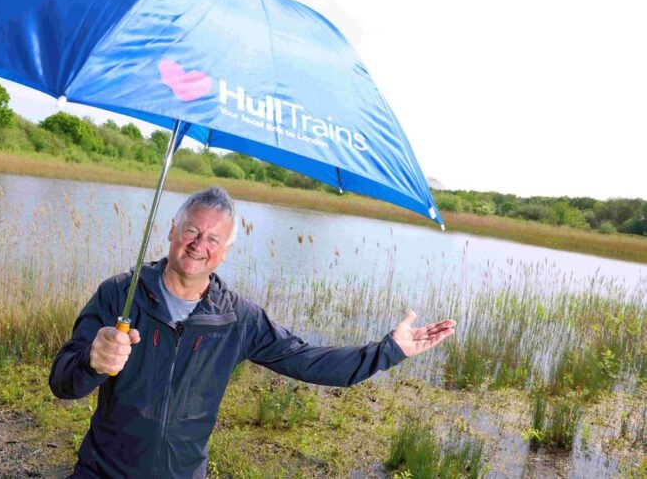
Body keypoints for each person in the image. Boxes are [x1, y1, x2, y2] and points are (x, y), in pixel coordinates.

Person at [49, 186, 455, 478]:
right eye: (191, 231)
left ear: (225, 252)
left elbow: (309, 360)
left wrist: (389, 350)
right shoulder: (120, 295)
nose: (198, 245)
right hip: (102, 471)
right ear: (172, 231)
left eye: (213, 238)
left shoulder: (237, 318)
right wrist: (91, 361)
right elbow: (62, 382)